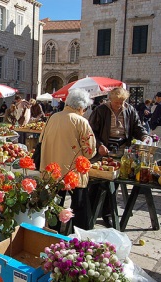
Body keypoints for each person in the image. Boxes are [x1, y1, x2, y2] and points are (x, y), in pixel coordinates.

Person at [88, 87, 149, 227]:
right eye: (116, 102)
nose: (119, 105)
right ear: (110, 99)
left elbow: (137, 127)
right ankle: (91, 212)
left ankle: (108, 214)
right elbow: (91, 131)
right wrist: (99, 145)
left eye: (122, 102)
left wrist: (144, 136)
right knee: (98, 182)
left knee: (113, 185)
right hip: (104, 149)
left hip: (121, 150)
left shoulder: (130, 110)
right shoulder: (101, 110)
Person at [40, 88, 97, 230]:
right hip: (72, 172)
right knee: (78, 205)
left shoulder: (53, 117)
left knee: (55, 204)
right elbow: (89, 151)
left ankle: (53, 231)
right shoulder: (81, 121)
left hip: (53, 170)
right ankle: (76, 235)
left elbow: (41, 140)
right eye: (85, 108)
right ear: (80, 107)